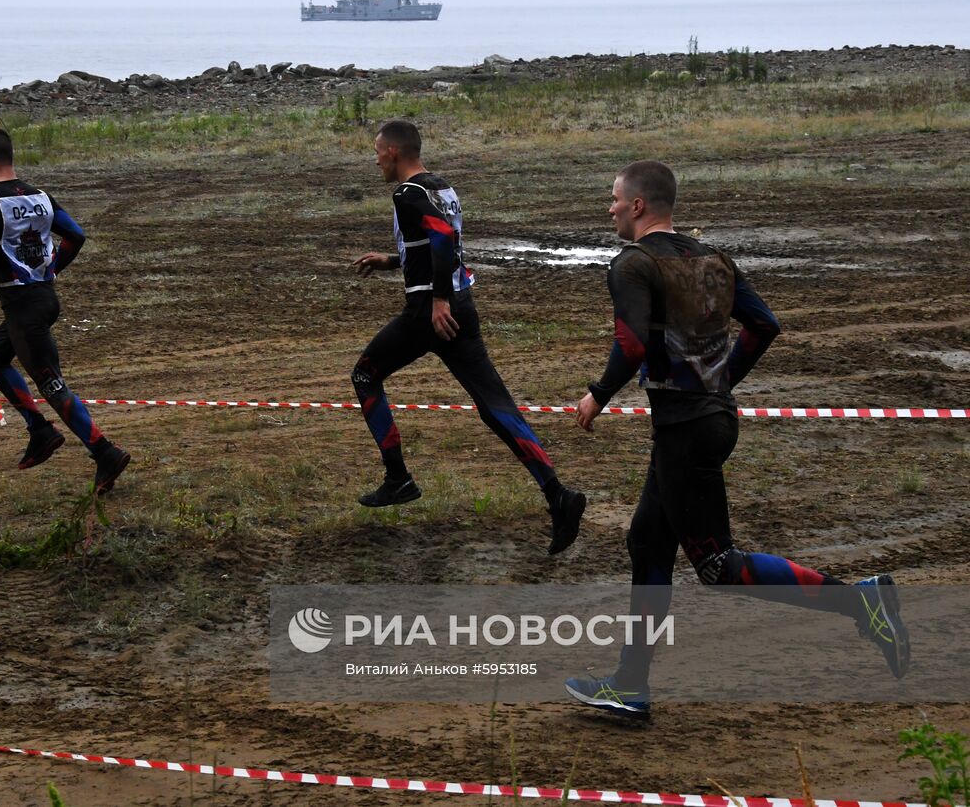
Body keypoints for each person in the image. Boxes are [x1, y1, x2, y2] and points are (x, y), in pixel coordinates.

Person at [563, 160, 910, 719]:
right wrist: (720, 379)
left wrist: (597, 395)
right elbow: (764, 325)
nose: (609, 208)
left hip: (686, 430)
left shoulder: (632, 264)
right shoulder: (714, 261)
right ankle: (630, 684)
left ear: (637, 206)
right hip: (707, 420)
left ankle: (860, 601)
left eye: (613, 199)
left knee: (719, 565)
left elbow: (630, 345)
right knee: (648, 542)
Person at [350, 120, 587, 555]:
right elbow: (439, 243)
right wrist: (391, 261)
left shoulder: (406, 193)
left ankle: (398, 478)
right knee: (496, 407)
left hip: (429, 312)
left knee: (365, 376)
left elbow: (441, 238)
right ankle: (558, 495)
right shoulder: (442, 188)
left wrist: (437, 299)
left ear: (395, 152)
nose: (376, 158)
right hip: (462, 307)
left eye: (378, 151)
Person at [0, 128, 129, 494]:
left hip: (24, 310)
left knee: (53, 385)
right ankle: (39, 430)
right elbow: (76, 236)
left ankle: (105, 451)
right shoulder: (41, 197)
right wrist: (50, 270)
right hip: (42, 300)